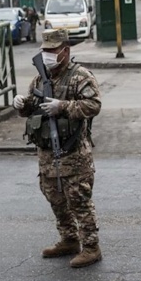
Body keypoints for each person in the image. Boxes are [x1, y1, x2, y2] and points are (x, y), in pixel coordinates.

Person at [12, 29, 104, 268]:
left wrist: (63, 106)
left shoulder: (79, 76)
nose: (47, 55)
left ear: (65, 51)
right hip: (47, 154)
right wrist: (23, 105)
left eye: (52, 51)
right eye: (44, 51)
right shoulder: (41, 78)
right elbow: (34, 105)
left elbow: (93, 105)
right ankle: (69, 239)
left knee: (78, 200)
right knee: (54, 197)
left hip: (73, 153)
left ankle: (92, 247)